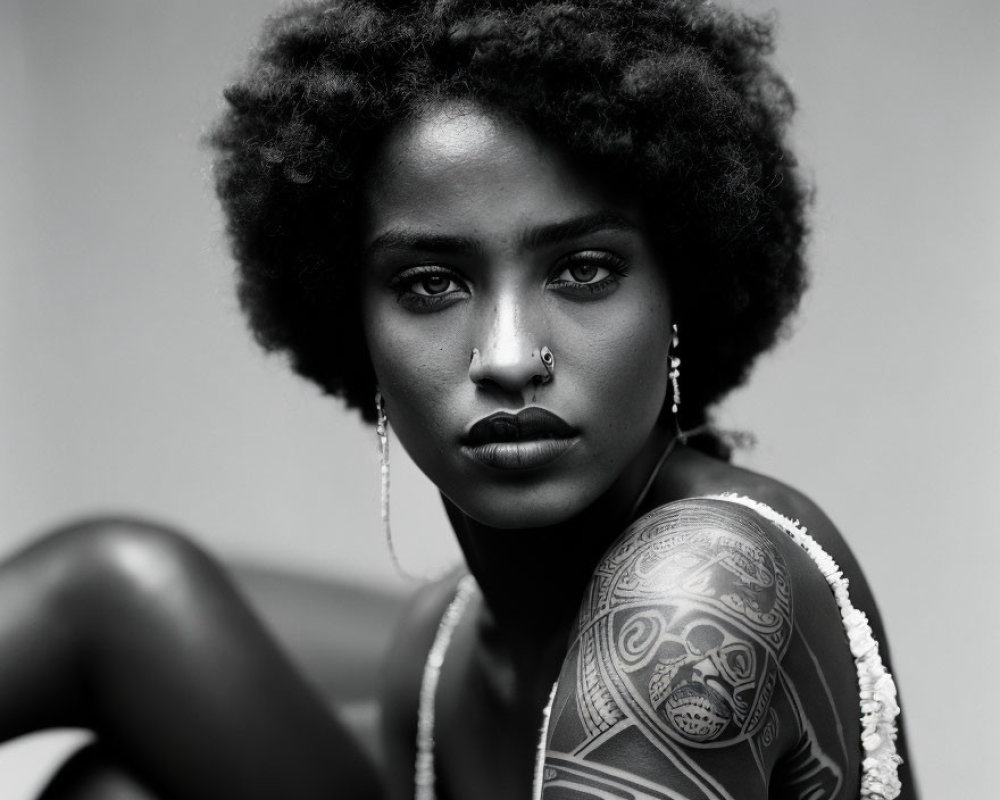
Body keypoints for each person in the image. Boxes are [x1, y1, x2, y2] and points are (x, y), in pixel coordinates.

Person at [0, 0, 916, 798]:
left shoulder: (693, 596)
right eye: (432, 284)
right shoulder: (435, 657)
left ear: (682, 292)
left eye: (584, 268)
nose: (511, 358)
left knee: (108, 593)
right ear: (348, 321)